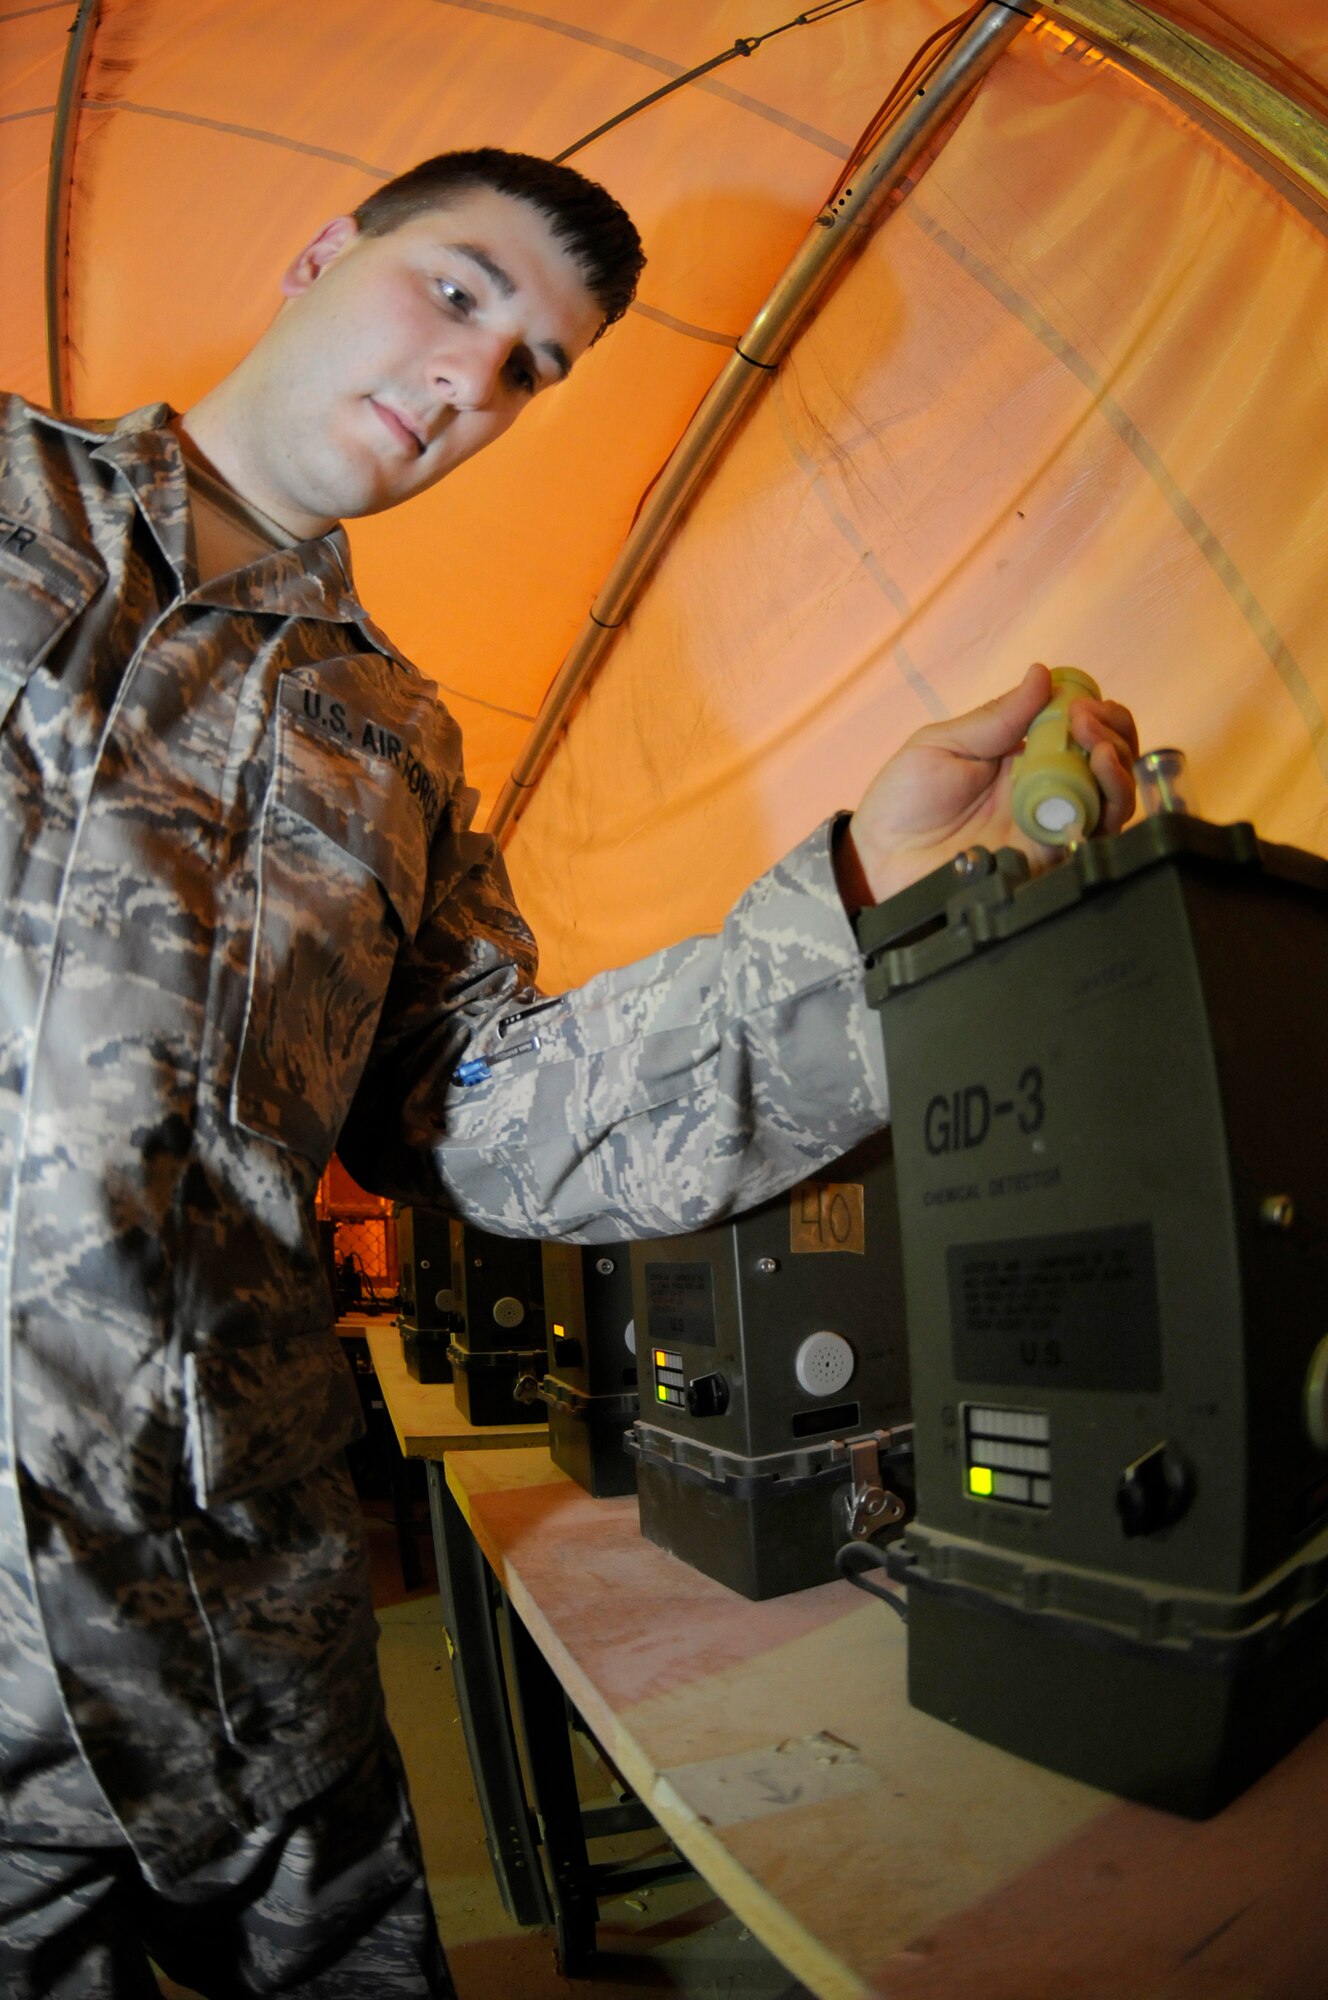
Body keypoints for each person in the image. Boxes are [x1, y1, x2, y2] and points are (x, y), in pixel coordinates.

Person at [0, 148, 1139, 1998]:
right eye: (456, 293)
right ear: (314, 253)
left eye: (533, 364)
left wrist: (861, 900)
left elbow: (504, 1124)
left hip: (244, 1659)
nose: (475, 379)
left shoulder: (391, 740)